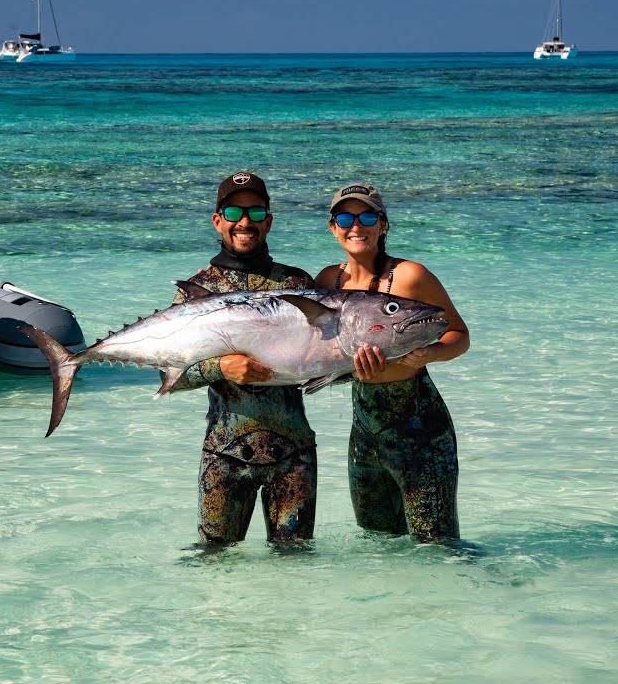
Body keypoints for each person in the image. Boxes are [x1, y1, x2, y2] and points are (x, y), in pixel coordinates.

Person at [314, 183, 470, 542]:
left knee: (438, 546)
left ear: (382, 224)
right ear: (332, 226)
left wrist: (431, 353)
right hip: (365, 433)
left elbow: (459, 334)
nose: (357, 225)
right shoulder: (327, 280)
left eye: (368, 216)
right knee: (377, 544)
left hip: (422, 433)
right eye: (345, 217)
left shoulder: (410, 276)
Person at [169, 172, 317, 546]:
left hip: (294, 454)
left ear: (268, 220)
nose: (245, 221)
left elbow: (324, 359)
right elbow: (171, 375)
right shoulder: (196, 291)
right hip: (224, 453)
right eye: (234, 210)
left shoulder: (298, 284)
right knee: (212, 566)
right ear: (218, 220)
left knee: (296, 568)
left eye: (256, 211)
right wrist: (220, 367)